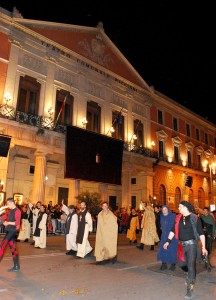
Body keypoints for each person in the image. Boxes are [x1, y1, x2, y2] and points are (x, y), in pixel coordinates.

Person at [163, 200, 208, 300]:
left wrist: (204, 247)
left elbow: (201, 233)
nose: (178, 208)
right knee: (181, 264)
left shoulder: (195, 218)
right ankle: (188, 274)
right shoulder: (178, 218)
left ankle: (189, 289)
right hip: (181, 245)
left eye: (180, 206)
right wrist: (167, 241)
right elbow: (173, 230)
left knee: (191, 265)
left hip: (191, 245)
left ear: (186, 207)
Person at [0, 197, 21, 272]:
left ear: (12, 203)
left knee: (2, 246)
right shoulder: (9, 211)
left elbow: (17, 223)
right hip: (9, 230)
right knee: (13, 248)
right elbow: (4, 217)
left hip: (13, 230)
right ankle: (16, 266)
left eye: (8, 204)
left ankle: (16, 266)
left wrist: (7, 223)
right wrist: (1, 220)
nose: (7, 205)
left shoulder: (17, 211)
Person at [157, 205, 178, 271]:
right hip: (164, 236)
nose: (164, 211)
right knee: (163, 249)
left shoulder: (173, 216)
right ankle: (164, 264)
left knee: (172, 250)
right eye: (163, 210)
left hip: (172, 236)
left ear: (168, 209)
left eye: (165, 209)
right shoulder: (161, 217)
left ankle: (173, 264)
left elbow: (175, 226)